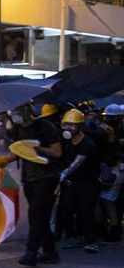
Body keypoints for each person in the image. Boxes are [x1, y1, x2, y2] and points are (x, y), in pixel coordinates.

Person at [0, 103, 63, 267]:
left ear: (26, 111)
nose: (14, 114)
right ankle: (50, 251)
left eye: (17, 111)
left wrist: (36, 148)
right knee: (40, 216)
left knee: (35, 214)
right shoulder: (17, 130)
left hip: (47, 176)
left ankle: (31, 252)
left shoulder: (44, 126)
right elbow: (14, 154)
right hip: (29, 178)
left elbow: (57, 152)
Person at [54, 108, 101, 254]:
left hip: (88, 182)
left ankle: (90, 241)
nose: (68, 128)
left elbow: (77, 163)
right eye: (65, 125)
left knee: (86, 210)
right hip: (72, 182)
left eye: (72, 125)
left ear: (80, 126)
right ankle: (71, 236)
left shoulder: (87, 143)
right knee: (65, 207)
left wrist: (63, 174)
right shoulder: (66, 141)